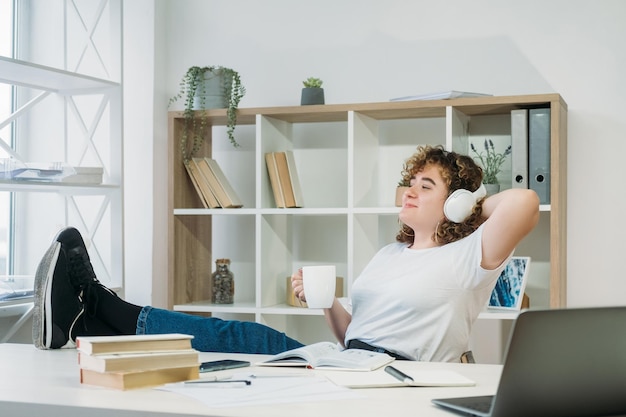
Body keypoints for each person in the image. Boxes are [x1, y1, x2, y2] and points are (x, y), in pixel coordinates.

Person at [33, 145, 539, 362]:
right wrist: (325, 301)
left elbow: (525, 202)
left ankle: (95, 305)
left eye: (425, 186)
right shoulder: (389, 253)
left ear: (456, 200)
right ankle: (88, 324)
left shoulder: (472, 254)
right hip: (351, 363)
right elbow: (353, 334)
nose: (408, 190)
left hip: (393, 378)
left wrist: (465, 208)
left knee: (240, 335)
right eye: (409, 181)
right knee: (233, 345)